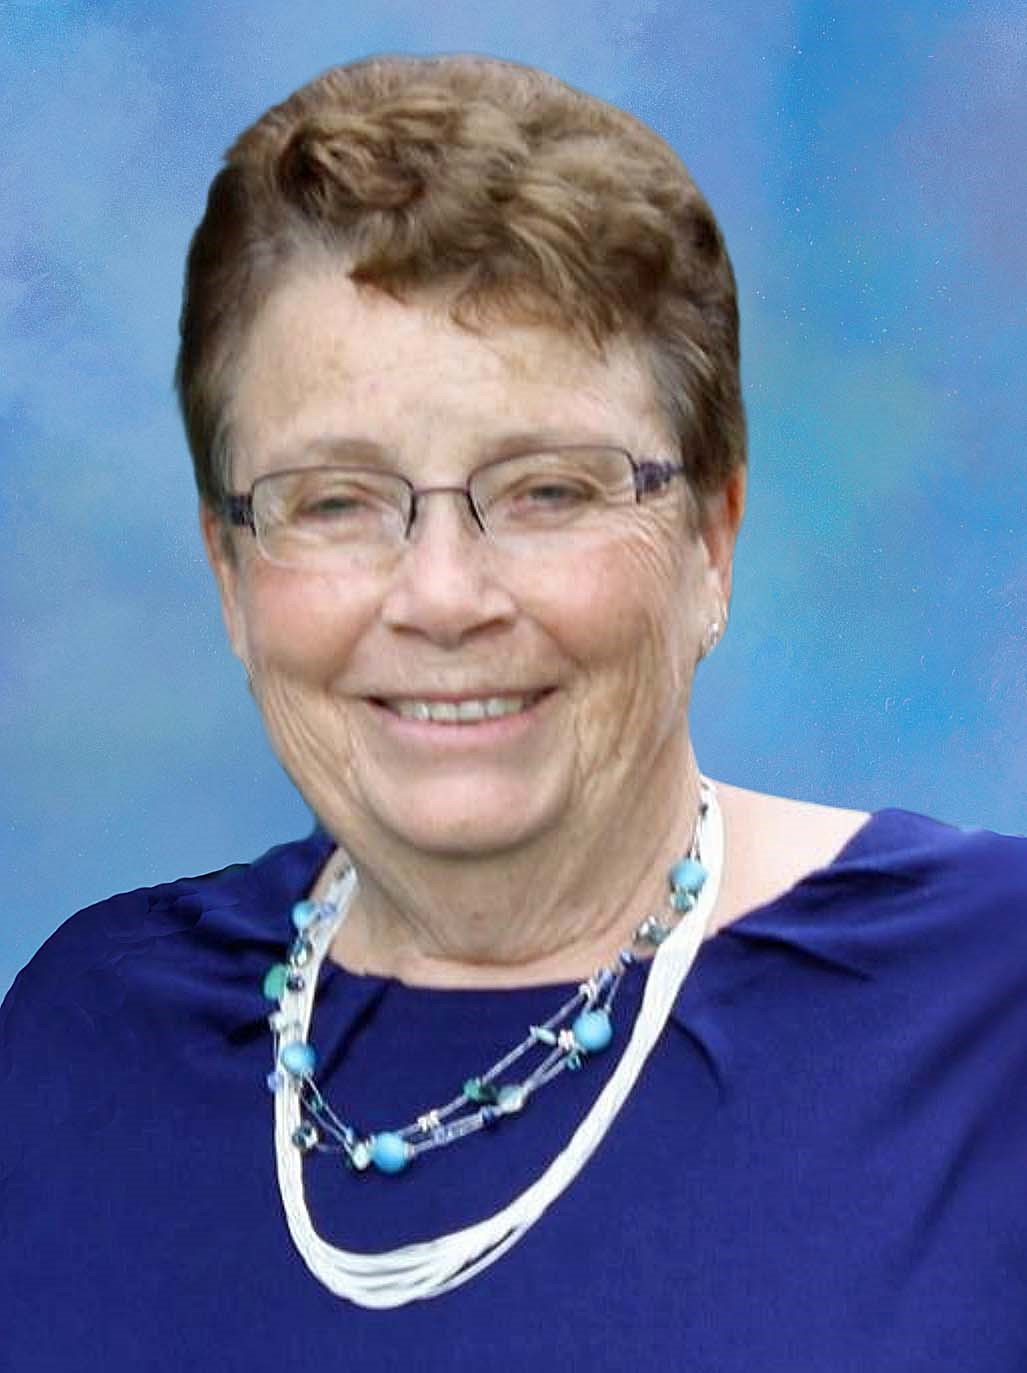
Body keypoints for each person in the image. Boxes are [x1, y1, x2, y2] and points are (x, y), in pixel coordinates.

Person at [2, 51, 1025, 1371]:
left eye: (549, 490)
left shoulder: (989, 1008)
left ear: (713, 539)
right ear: (230, 574)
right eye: (335, 500)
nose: (443, 597)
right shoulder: (88, 1034)